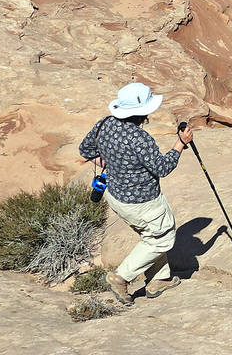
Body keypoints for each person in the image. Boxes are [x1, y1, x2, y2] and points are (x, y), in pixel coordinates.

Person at [79, 81, 192, 306]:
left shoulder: (105, 124)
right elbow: (162, 168)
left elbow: (85, 150)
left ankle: (160, 278)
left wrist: (113, 164)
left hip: (115, 195)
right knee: (162, 237)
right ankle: (121, 278)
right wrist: (180, 143)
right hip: (144, 202)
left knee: (151, 235)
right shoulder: (140, 139)